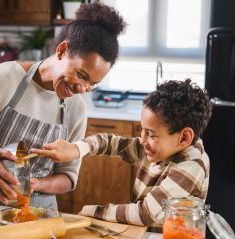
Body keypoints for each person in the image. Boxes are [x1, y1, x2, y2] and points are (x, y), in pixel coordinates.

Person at [0, 2, 126, 210]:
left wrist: (37, 184)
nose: (82, 88)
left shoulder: (76, 109)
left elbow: (68, 177)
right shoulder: (6, 78)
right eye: (81, 75)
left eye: (92, 84)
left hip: (38, 216)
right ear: (62, 50)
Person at [32, 79, 213, 225]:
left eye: (151, 134)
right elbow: (109, 142)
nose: (142, 140)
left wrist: (93, 212)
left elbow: (146, 213)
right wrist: (77, 149)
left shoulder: (191, 165)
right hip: (144, 236)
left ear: (184, 138)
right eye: (142, 130)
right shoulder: (157, 149)